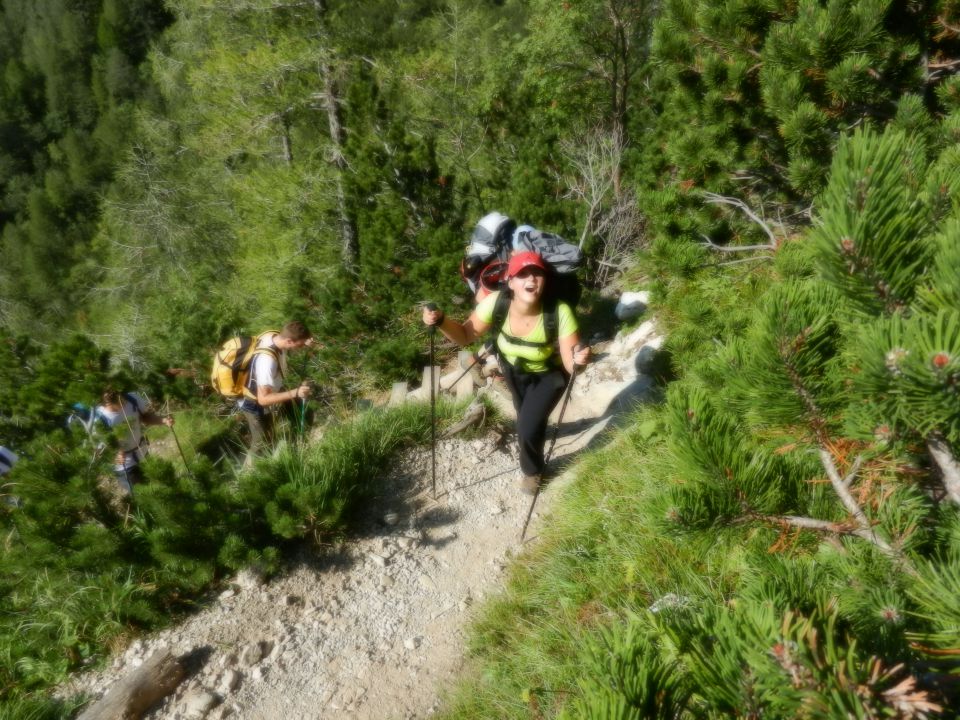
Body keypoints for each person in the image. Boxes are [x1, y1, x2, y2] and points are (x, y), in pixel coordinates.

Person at [423, 251, 589, 494]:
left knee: (527, 426)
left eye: (537, 273)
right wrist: (440, 321)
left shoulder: (559, 311)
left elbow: (569, 365)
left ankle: (532, 472)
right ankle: (534, 440)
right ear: (510, 281)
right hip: (513, 371)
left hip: (550, 375)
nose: (531, 279)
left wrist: (579, 360)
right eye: (522, 274)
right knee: (528, 419)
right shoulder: (497, 303)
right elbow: (466, 335)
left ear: (545, 280)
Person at [240, 321, 314, 462]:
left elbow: (294, 339)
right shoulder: (267, 362)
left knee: (302, 411)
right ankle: (248, 478)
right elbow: (263, 399)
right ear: (289, 341)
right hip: (253, 401)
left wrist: (305, 343)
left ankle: (296, 451)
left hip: (270, 389)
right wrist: (295, 392)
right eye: (300, 344)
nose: (300, 347)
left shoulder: (274, 336)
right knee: (262, 441)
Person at [95, 390, 174, 494]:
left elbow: (145, 417)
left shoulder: (132, 399)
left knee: (159, 486)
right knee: (142, 495)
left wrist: (163, 421)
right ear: (107, 403)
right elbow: (100, 448)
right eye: (119, 402)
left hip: (142, 453)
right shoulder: (100, 419)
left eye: (122, 399)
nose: (123, 403)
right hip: (125, 466)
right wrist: (116, 452)